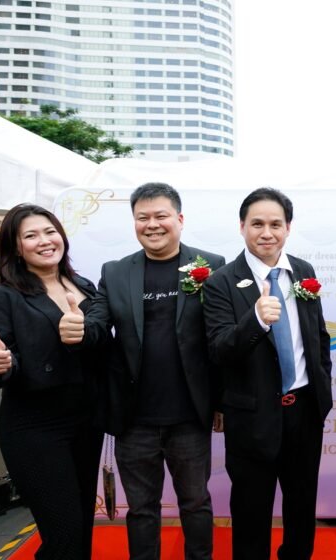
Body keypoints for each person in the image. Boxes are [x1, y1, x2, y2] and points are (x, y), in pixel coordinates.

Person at [60, 182, 225, 560]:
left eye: (160, 216)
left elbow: (219, 339)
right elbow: (98, 324)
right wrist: (80, 329)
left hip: (190, 416)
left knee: (196, 503)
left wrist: (221, 401)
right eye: (142, 217)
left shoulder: (212, 266)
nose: (152, 224)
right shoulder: (116, 272)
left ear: (179, 219)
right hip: (133, 418)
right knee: (141, 509)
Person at [203, 188, 332, 560]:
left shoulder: (303, 272)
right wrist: (256, 320)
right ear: (242, 226)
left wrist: (320, 390)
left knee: (302, 508)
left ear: (288, 228)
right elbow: (219, 349)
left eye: (276, 224)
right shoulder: (221, 282)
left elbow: (318, 337)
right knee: (251, 514)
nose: (266, 233)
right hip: (252, 417)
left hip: (303, 412)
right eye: (257, 224)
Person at [0, 204, 104, 559]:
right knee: (63, 533)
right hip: (35, 428)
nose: (45, 241)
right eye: (31, 236)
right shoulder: (2, 297)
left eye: (50, 232)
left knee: (81, 526)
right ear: (16, 248)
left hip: (87, 422)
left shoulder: (84, 286)